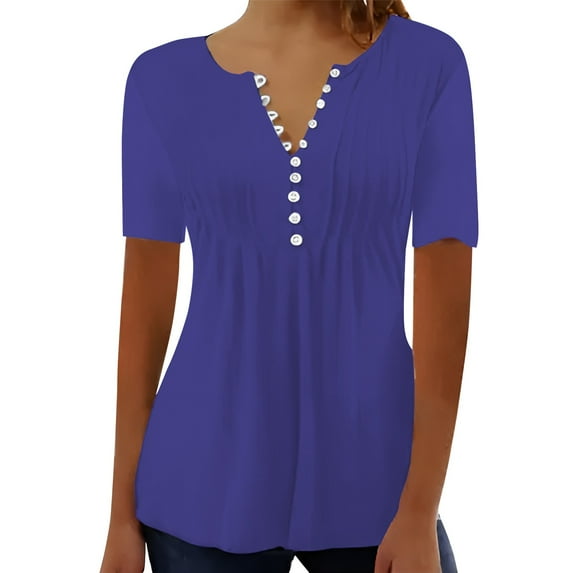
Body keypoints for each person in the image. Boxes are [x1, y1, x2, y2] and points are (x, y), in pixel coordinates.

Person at [100, 0, 478, 572]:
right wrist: (120, 517)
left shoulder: (429, 65)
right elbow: (143, 315)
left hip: (377, 482)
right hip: (198, 482)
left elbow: (445, 311)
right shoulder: (160, 80)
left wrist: (421, 508)